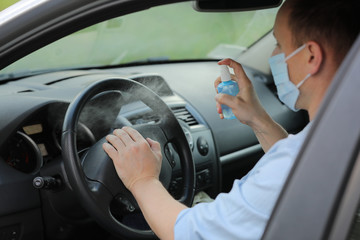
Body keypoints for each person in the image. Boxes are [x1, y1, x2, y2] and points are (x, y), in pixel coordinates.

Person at [102, 0, 360, 239]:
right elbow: (306, 175)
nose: (274, 54)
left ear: (311, 56)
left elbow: (190, 233)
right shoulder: (342, 132)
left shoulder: (292, 165)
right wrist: (258, 119)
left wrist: (142, 180)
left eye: (279, 44)